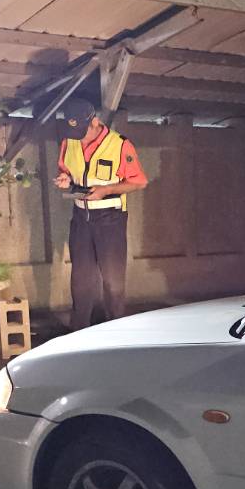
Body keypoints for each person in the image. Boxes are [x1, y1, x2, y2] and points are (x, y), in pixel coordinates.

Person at [54, 97, 149, 328]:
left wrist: (106, 190)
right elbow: (66, 169)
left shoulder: (120, 145)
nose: (79, 138)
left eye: (83, 132)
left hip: (110, 219)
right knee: (81, 281)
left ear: (95, 122)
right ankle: (79, 331)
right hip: (81, 218)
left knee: (113, 282)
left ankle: (115, 331)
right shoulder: (69, 141)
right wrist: (65, 179)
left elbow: (139, 182)